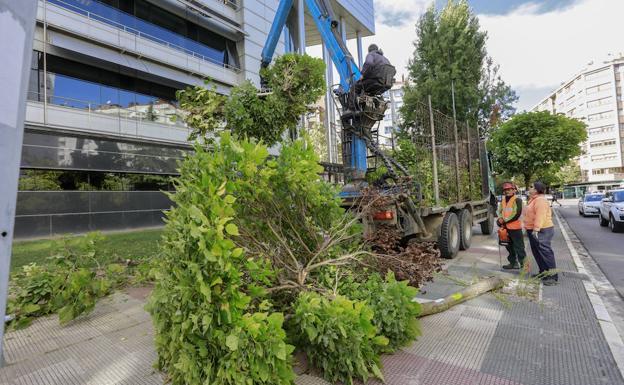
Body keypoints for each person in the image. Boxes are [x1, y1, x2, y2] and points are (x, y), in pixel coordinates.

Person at [524, 181, 558, 285]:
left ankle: (552, 276)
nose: (529, 188)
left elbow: (540, 216)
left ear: (536, 190)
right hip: (534, 229)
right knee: (537, 253)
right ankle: (543, 273)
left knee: (545, 252)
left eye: (531, 187)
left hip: (542, 230)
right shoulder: (533, 200)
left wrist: (536, 229)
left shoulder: (540, 201)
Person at [497, 182, 526, 270]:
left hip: (515, 228)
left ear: (514, 190)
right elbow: (500, 211)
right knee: (509, 247)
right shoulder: (503, 201)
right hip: (505, 228)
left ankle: (525, 266)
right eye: (505, 190)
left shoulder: (517, 200)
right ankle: (513, 263)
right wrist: (499, 219)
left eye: (509, 189)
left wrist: (505, 221)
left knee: (519, 248)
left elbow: (516, 214)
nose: (507, 191)